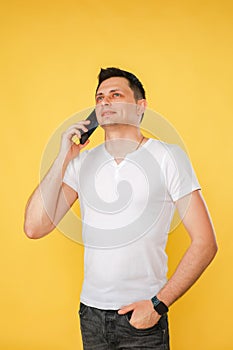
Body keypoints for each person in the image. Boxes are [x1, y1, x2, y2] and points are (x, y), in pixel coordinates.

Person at [24, 67, 218, 349]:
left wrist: (158, 305)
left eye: (116, 95)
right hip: (90, 315)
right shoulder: (82, 163)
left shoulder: (167, 157)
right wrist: (62, 158)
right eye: (100, 97)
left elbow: (206, 243)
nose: (105, 102)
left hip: (143, 318)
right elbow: (35, 227)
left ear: (140, 107)